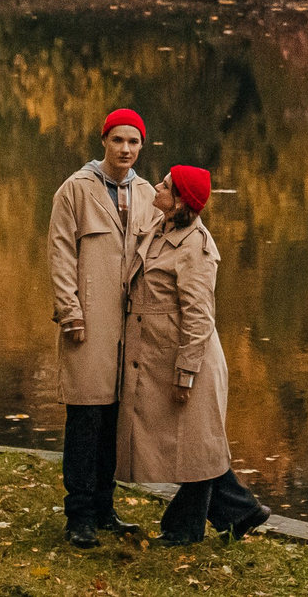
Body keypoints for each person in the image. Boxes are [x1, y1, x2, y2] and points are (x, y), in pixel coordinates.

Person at [118, 164, 270, 545]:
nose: (157, 185)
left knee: (195, 448)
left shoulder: (196, 247)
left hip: (189, 358)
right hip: (158, 356)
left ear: (181, 200)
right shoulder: (161, 226)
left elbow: (200, 317)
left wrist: (186, 372)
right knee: (195, 445)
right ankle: (240, 512)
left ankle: (185, 530)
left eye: (166, 185)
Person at [48, 107, 159, 546]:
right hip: (88, 324)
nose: (126, 149)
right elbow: (59, 254)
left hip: (132, 330)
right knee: (85, 418)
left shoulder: (150, 194)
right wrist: (69, 310)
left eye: (133, 142)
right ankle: (78, 516)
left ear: (141, 147)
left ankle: (104, 508)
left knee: (116, 421)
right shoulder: (75, 190)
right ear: (104, 142)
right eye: (118, 140)